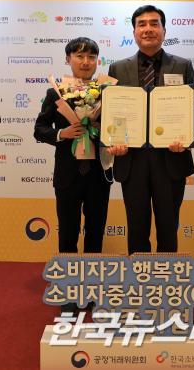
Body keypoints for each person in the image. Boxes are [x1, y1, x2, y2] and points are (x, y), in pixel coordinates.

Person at [106, 5, 194, 254]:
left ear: (164, 31)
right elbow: (114, 110)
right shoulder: (117, 68)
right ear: (134, 32)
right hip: (131, 159)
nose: (148, 29)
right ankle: (139, 275)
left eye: (154, 24)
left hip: (171, 157)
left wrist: (185, 138)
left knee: (168, 226)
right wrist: (115, 140)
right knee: (136, 226)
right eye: (142, 24)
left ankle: (168, 275)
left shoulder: (182, 65)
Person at [34, 37, 112, 313]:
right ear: (68, 59)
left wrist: (105, 132)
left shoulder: (107, 93)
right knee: (67, 232)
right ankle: (68, 291)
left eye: (91, 56)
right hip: (67, 174)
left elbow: (118, 127)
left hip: (99, 173)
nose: (85, 62)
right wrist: (62, 133)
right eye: (79, 56)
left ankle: (91, 288)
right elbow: (39, 129)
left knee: (95, 233)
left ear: (97, 61)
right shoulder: (55, 92)